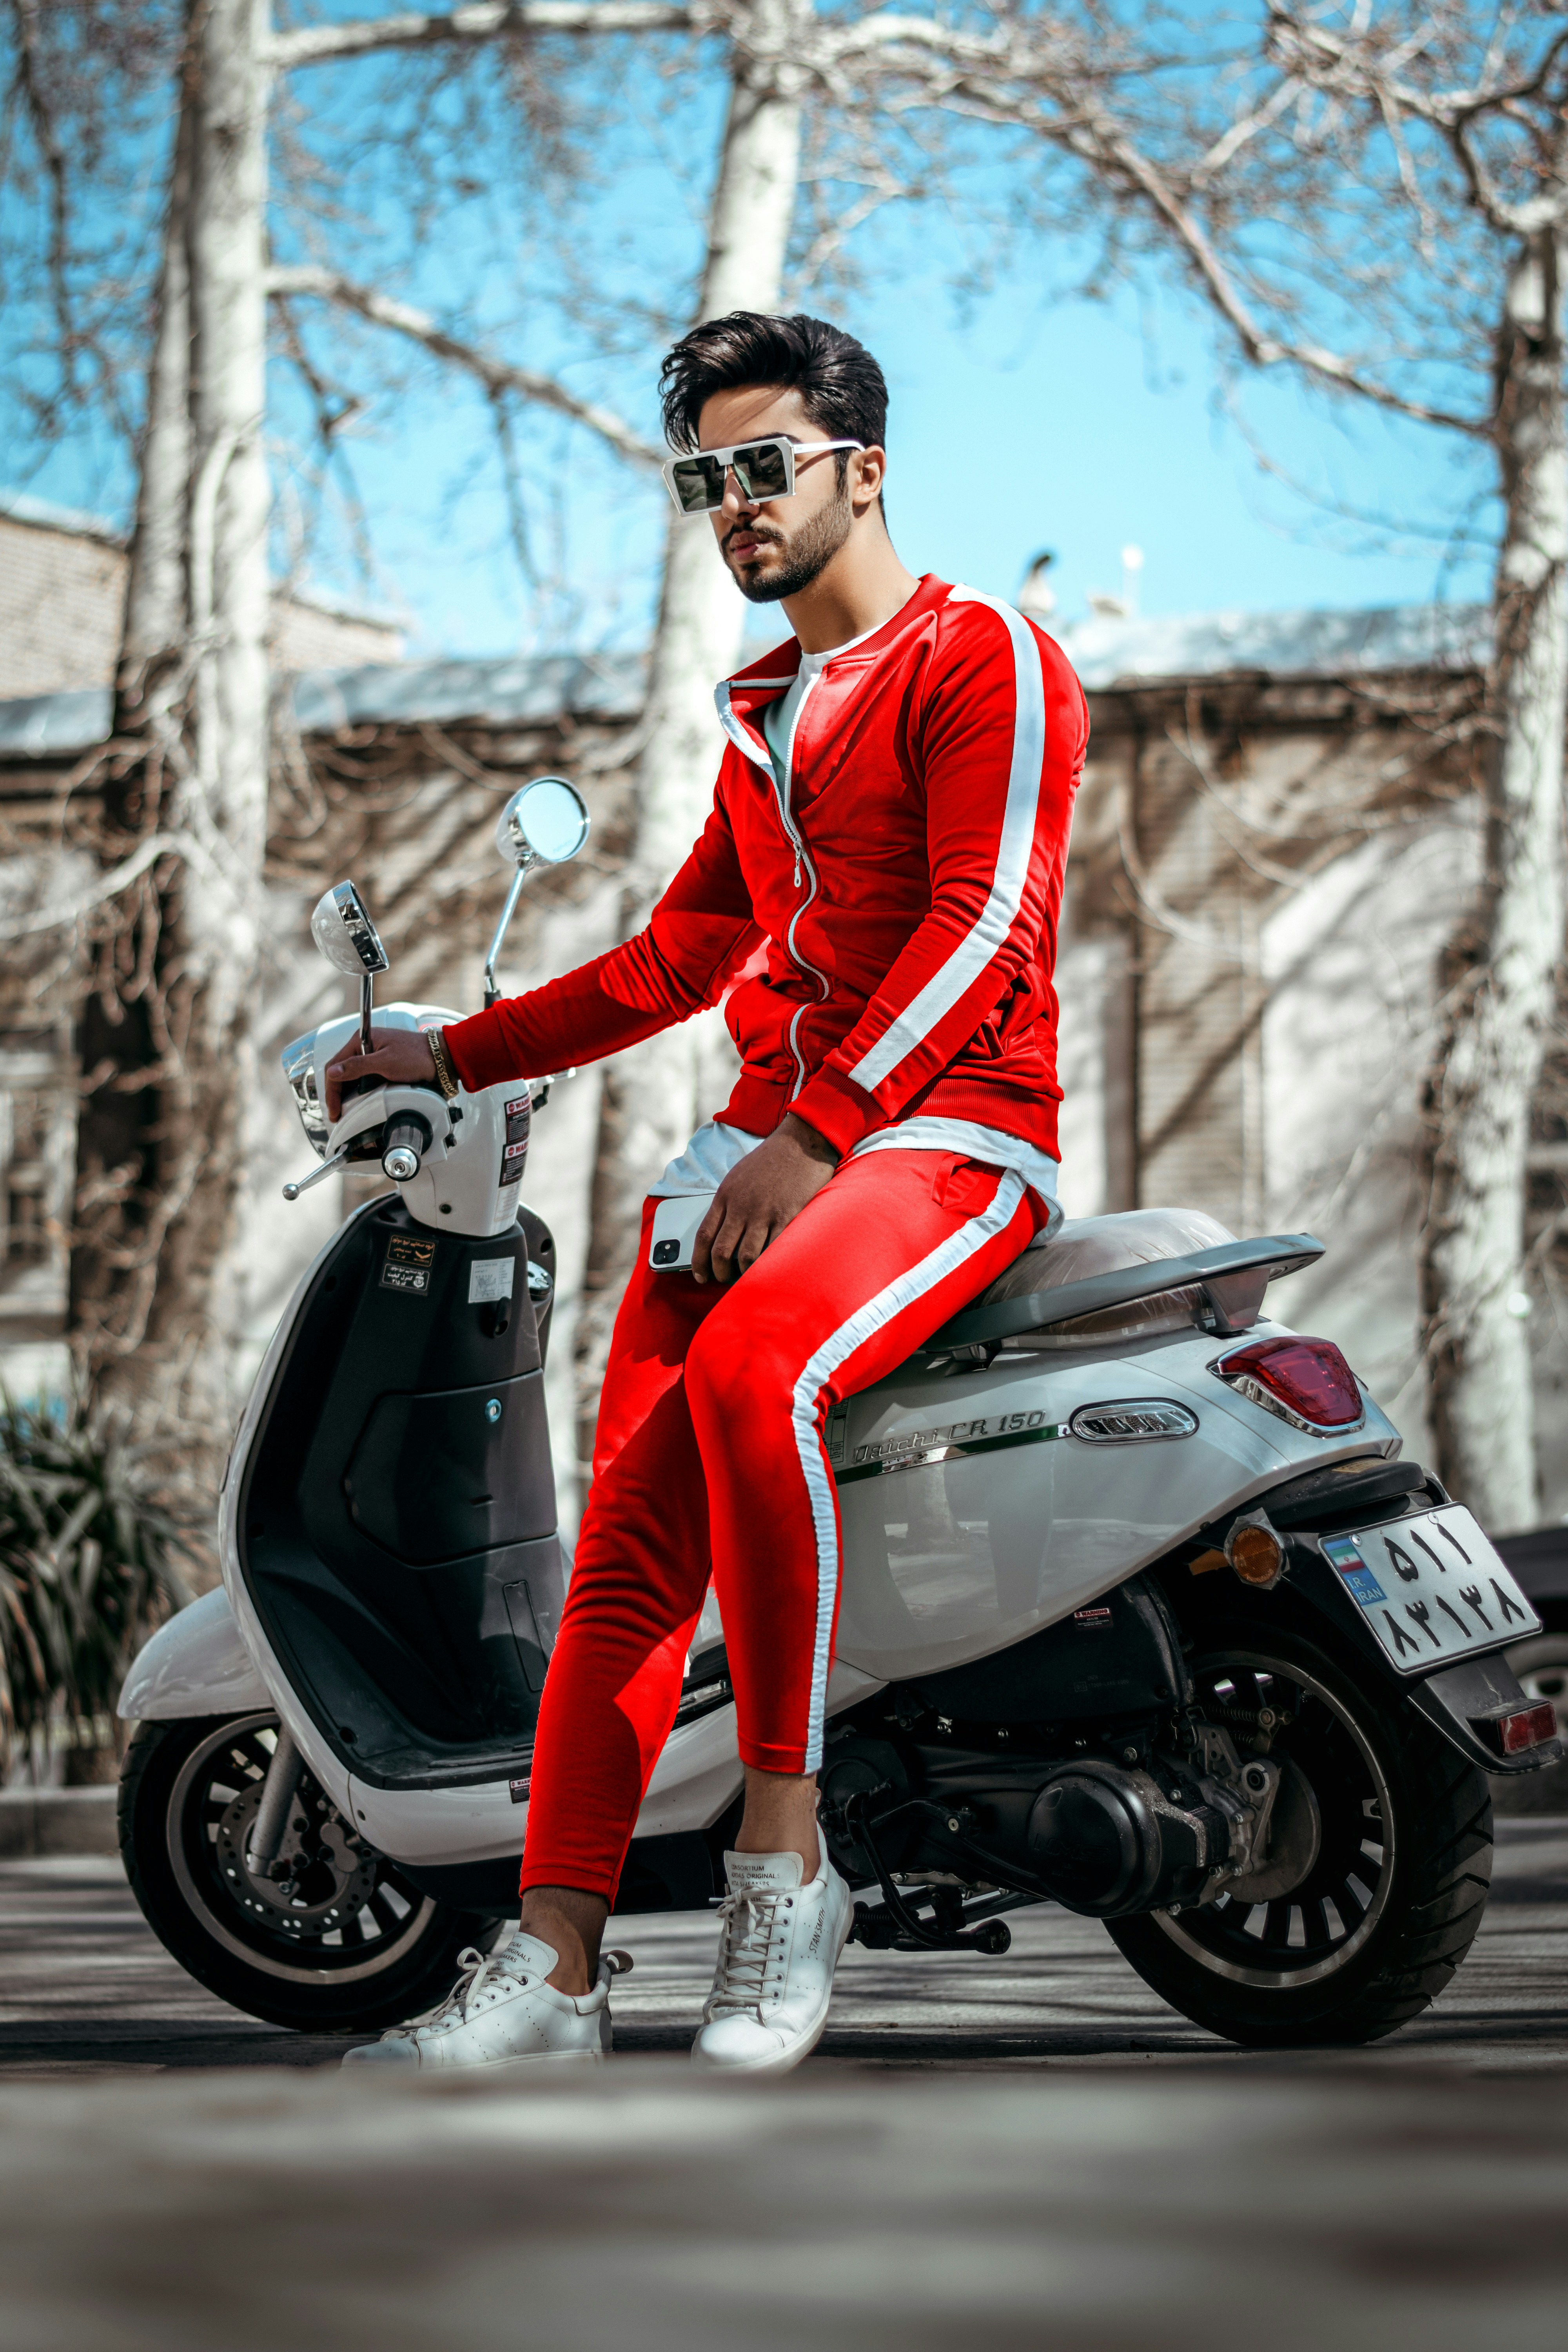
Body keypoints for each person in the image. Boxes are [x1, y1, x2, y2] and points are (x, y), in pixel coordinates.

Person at [326, 311, 1088, 2077]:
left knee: (756, 1379)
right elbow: (682, 953)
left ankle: (783, 1854)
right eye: (705, 478)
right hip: (763, 1152)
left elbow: (989, 926)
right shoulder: (762, 710)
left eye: (765, 466)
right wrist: (450, 1053)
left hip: (949, 1136)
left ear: (860, 469)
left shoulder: (988, 658)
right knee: (625, 1549)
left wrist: (812, 1137)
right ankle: (558, 1965)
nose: (734, 505)